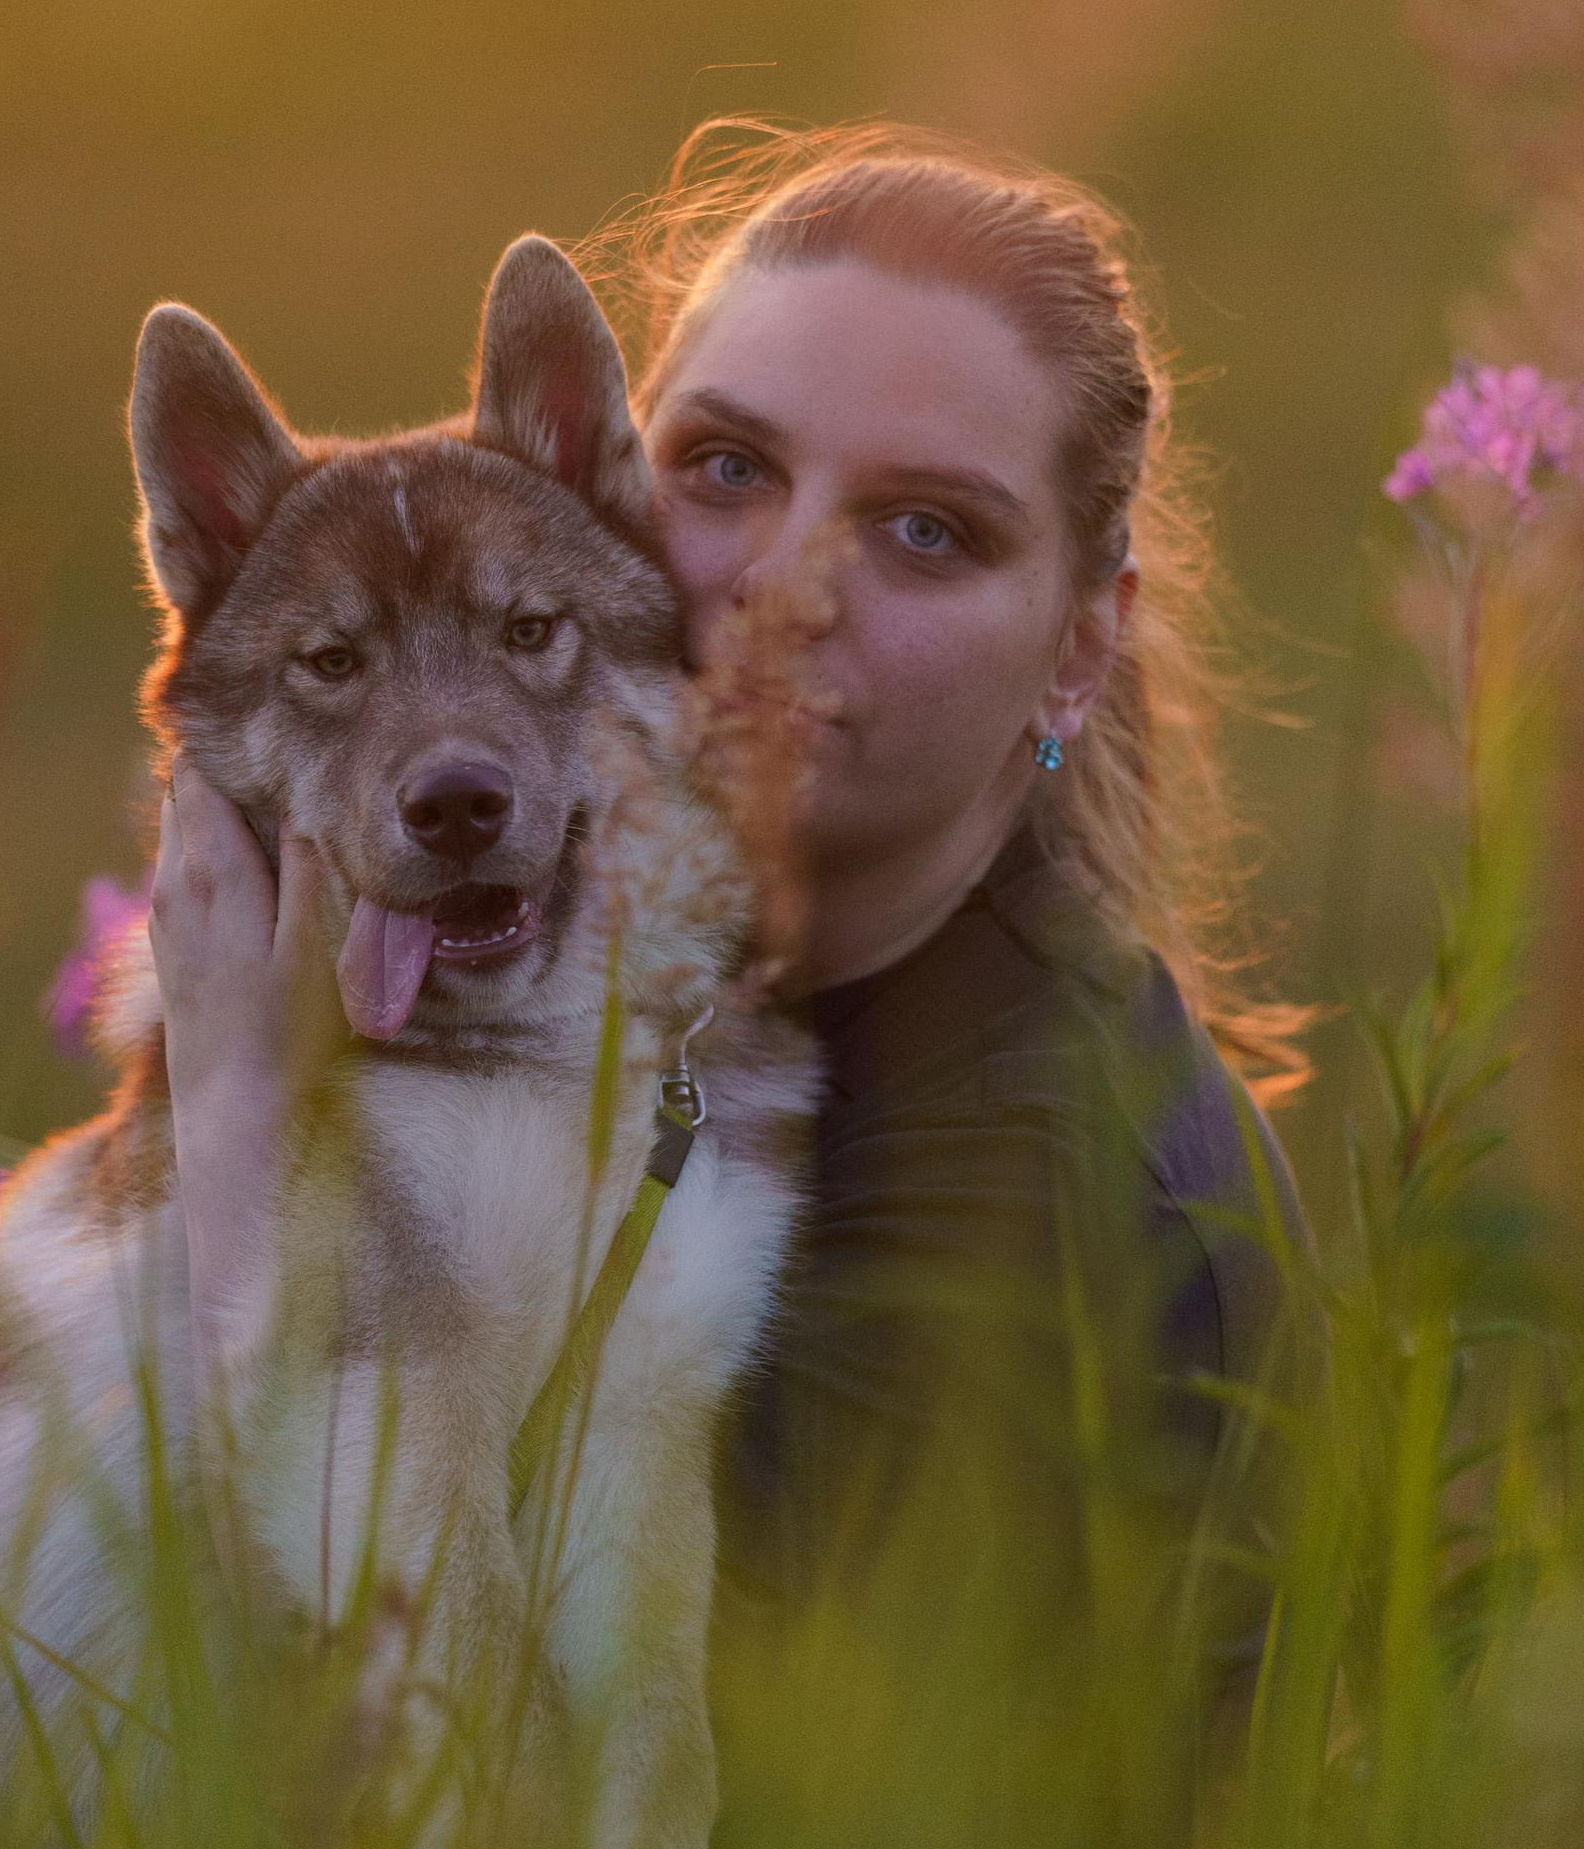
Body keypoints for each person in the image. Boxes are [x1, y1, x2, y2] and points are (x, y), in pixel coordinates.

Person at [148, 122, 1323, 1825]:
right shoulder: (736, 1029)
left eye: (926, 532)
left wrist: (248, 1146)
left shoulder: (1004, 1218)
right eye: (724, 471)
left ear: (1078, 648)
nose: (783, 580)